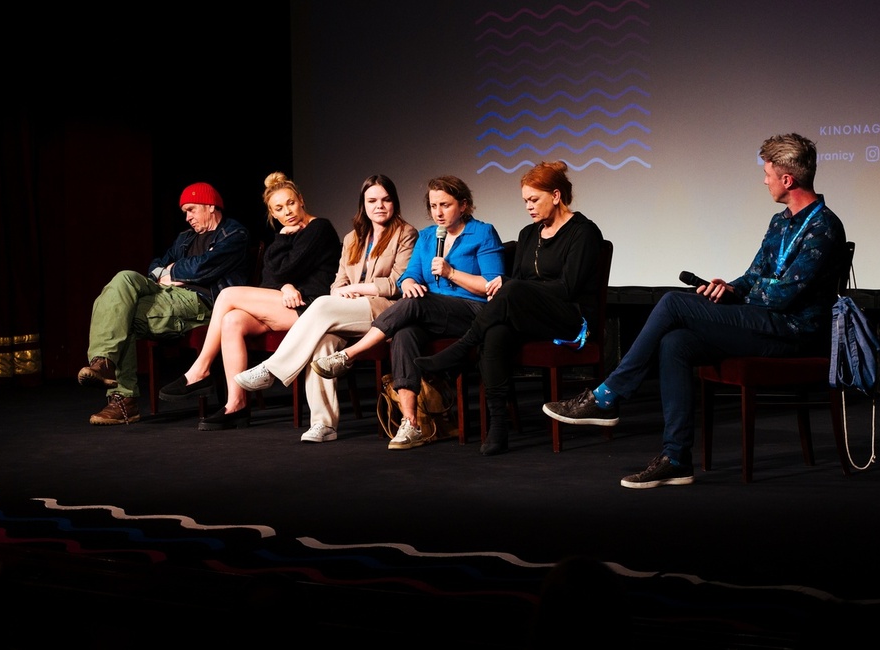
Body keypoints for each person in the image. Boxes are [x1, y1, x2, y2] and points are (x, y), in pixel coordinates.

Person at [542, 133, 847, 489]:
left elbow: (785, 294)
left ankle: (607, 396)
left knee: (673, 302)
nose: (764, 181)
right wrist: (730, 288)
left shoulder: (825, 226)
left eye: (767, 174)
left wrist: (744, 295)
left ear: (788, 179)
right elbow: (754, 277)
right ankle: (676, 459)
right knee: (676, 343)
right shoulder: (780, 222)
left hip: (794, 333)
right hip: (765, 321)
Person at [415, 161, 604, 456]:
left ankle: (462, 347)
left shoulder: (583, 232)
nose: (528, 207)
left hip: (572, 320)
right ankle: (498, 425)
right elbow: (515, 283)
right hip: (532, 316)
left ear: (556, 196)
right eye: (525, 201)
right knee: (496, 332)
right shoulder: (528, 234)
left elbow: (567, 288)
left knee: (512, 288)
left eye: (534, 200)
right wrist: (509, 285)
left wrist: (515, 287)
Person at [309, 175, 506, 450]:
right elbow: (409, 275)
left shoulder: (482, 233)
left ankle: (349, 355)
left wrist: (452, 273)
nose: (438, 212)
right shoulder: (427, 236)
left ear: (463, 205)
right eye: (433, 206)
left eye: (445, 205)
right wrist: (410, 282)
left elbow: (493, 286)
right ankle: (411, 423)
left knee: (415, 304)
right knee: (404, 333)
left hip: (471, 311)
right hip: (431, 312)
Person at [232, 174, 419, 442]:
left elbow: (397, 283)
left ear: (394, 203)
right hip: (350, 309)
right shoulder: (353, 238)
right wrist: (341, 292)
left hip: (385, 311)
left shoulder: (406, 233)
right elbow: (338, 281)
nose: (379, 206)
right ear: (363, 204)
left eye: (386, 200)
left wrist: (357, 289)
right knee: (321, 344)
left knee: (320, 304)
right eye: (372, 200)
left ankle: (272, 369)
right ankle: (324, 425)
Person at [159, 171, 341, 430]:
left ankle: (200, 369)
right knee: (232, 320)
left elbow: (286, 268)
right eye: (279, 208)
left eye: (291, 203)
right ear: (272, 214)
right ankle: (237, 404)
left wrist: (282, 245)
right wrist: (286, 285)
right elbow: (269, 279)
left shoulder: (318, 228)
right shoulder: (288, 233)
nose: (287, 211)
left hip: (312, 307)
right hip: (285, 304)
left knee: (228, 295)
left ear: (301, 200)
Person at [78, 182, 251, 425]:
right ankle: (102, 362)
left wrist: (174, 272)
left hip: (202, 302)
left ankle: (123, 400)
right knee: (123, 278)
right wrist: (170, 273)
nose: (187, 217)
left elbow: (204, 267)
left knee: (122, 315)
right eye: (185, 212)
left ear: (211, 206)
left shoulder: (234, 234)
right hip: (166, 293)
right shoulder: (185, 238)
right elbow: (156, 265)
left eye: (191, 210)